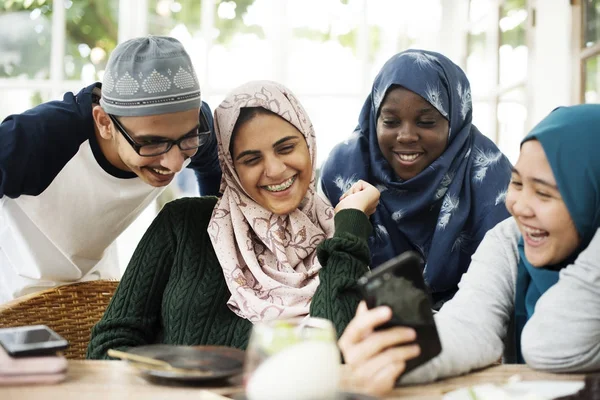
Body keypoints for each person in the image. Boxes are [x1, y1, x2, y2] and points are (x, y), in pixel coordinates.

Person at [86, 80, 379, 359]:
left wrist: (351, 222)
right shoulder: (183, 224)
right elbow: (108, 345)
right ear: (230, 166)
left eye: (286, 148)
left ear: (309, 143)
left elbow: (337, 353)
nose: (275, 170)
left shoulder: (339, 239)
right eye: (251, 160)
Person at [338, 104, 600, 396]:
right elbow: (471, 325)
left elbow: (549, 346)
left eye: (543, 193)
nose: (519, 206)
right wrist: (403, 354)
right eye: (516, 182)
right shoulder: (511, 239)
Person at [0, 36, 222, 303]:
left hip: (93, 284)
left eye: (187, 139)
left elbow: (213, 174)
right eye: (152, 143)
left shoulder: (197, 127)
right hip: (12, 288)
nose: (174, 164)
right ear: (104, 122)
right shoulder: (37, 138)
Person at [320, 49, 513, 305]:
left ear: (455, 122)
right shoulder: (345, 168)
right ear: (374, 117)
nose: (407, 136)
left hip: (473, 322)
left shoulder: (489, 174)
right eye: (390, 121)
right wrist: (353, 216)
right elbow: (330, 283)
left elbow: (504, 290)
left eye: (426, 122)